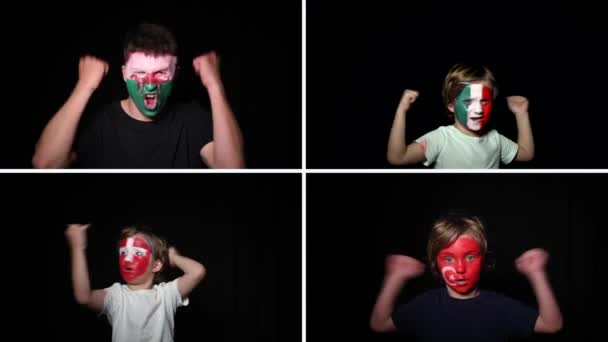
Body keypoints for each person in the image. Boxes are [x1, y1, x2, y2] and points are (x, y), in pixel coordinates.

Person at [33, 22, 245, 168]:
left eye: (161, 73)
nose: (150, 85)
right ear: (124, 73)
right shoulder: (102, 123)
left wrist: (214, 84)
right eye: (140, 73)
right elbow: (45, 164)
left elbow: (233, 169)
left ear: (175, 74)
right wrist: (85, 85)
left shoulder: (192, 118)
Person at [370, 215, 562, 341]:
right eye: (449, 258)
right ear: (435, 262)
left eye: (470, 257)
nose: (460, 268)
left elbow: (551, 325)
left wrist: (537, 274)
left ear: (484, 259)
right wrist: (394, 278)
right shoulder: (426, 305)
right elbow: (379, 325)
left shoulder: (499, 307)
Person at [65, 223, 206, 342]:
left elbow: (197, 272)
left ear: (156, 265)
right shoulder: (116, 295)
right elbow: (83, 297)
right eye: (123, 253)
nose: (127, 259)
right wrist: (78, 248)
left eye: (138, 253)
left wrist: (174, 258)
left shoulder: (167, 294)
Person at [387, 64, 534, 168]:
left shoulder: (495, 138)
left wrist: (521, 114)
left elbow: (526, 154)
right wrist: (402, 110)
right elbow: (398, 158)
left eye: (484, 101)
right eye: (468, 101)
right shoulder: (441, 138)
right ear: (451, 105)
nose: (478, 110)